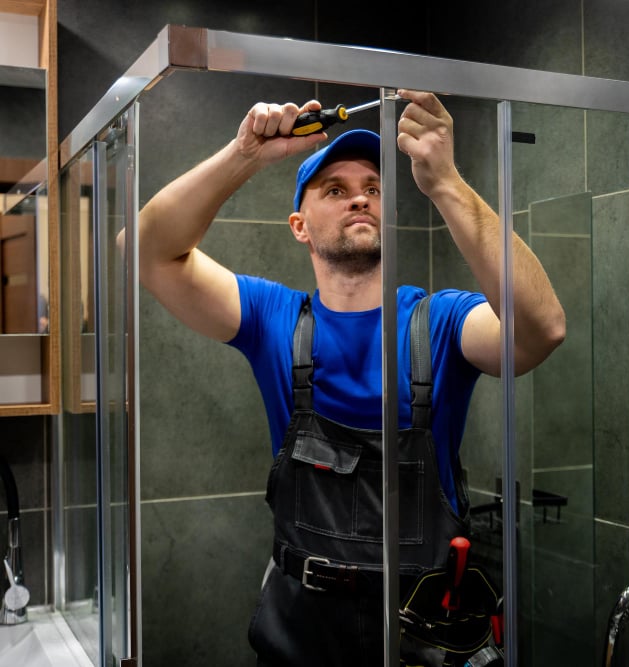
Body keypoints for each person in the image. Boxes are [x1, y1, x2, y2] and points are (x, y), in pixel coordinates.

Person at [137, 89, 565, 666]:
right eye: (335, 191)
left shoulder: (439, 322)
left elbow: (540, 328)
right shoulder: (274, 319)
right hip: (300, 637)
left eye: (373, 189)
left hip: (423, 638)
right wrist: (244, 155)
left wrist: (444, 181)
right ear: (299, 226)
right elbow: (146, 251)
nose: (359, 199)